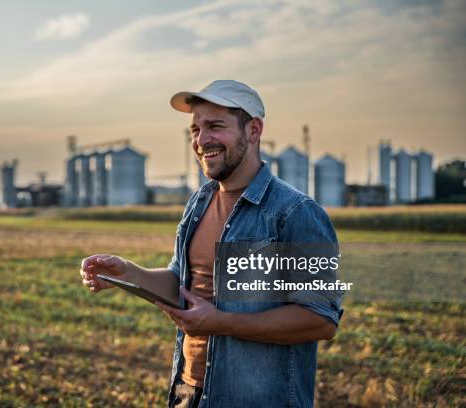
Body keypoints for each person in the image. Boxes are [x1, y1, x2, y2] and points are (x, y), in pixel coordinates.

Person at [80, 80, 343, 408]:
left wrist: (223, 323)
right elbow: (182, 283)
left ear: (253, 130)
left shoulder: (295, 213)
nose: (202, 140)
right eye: (195, 129)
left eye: (215, 126)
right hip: (189, 390)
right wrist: (128, 273)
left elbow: (320, 318)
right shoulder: (199, 203)